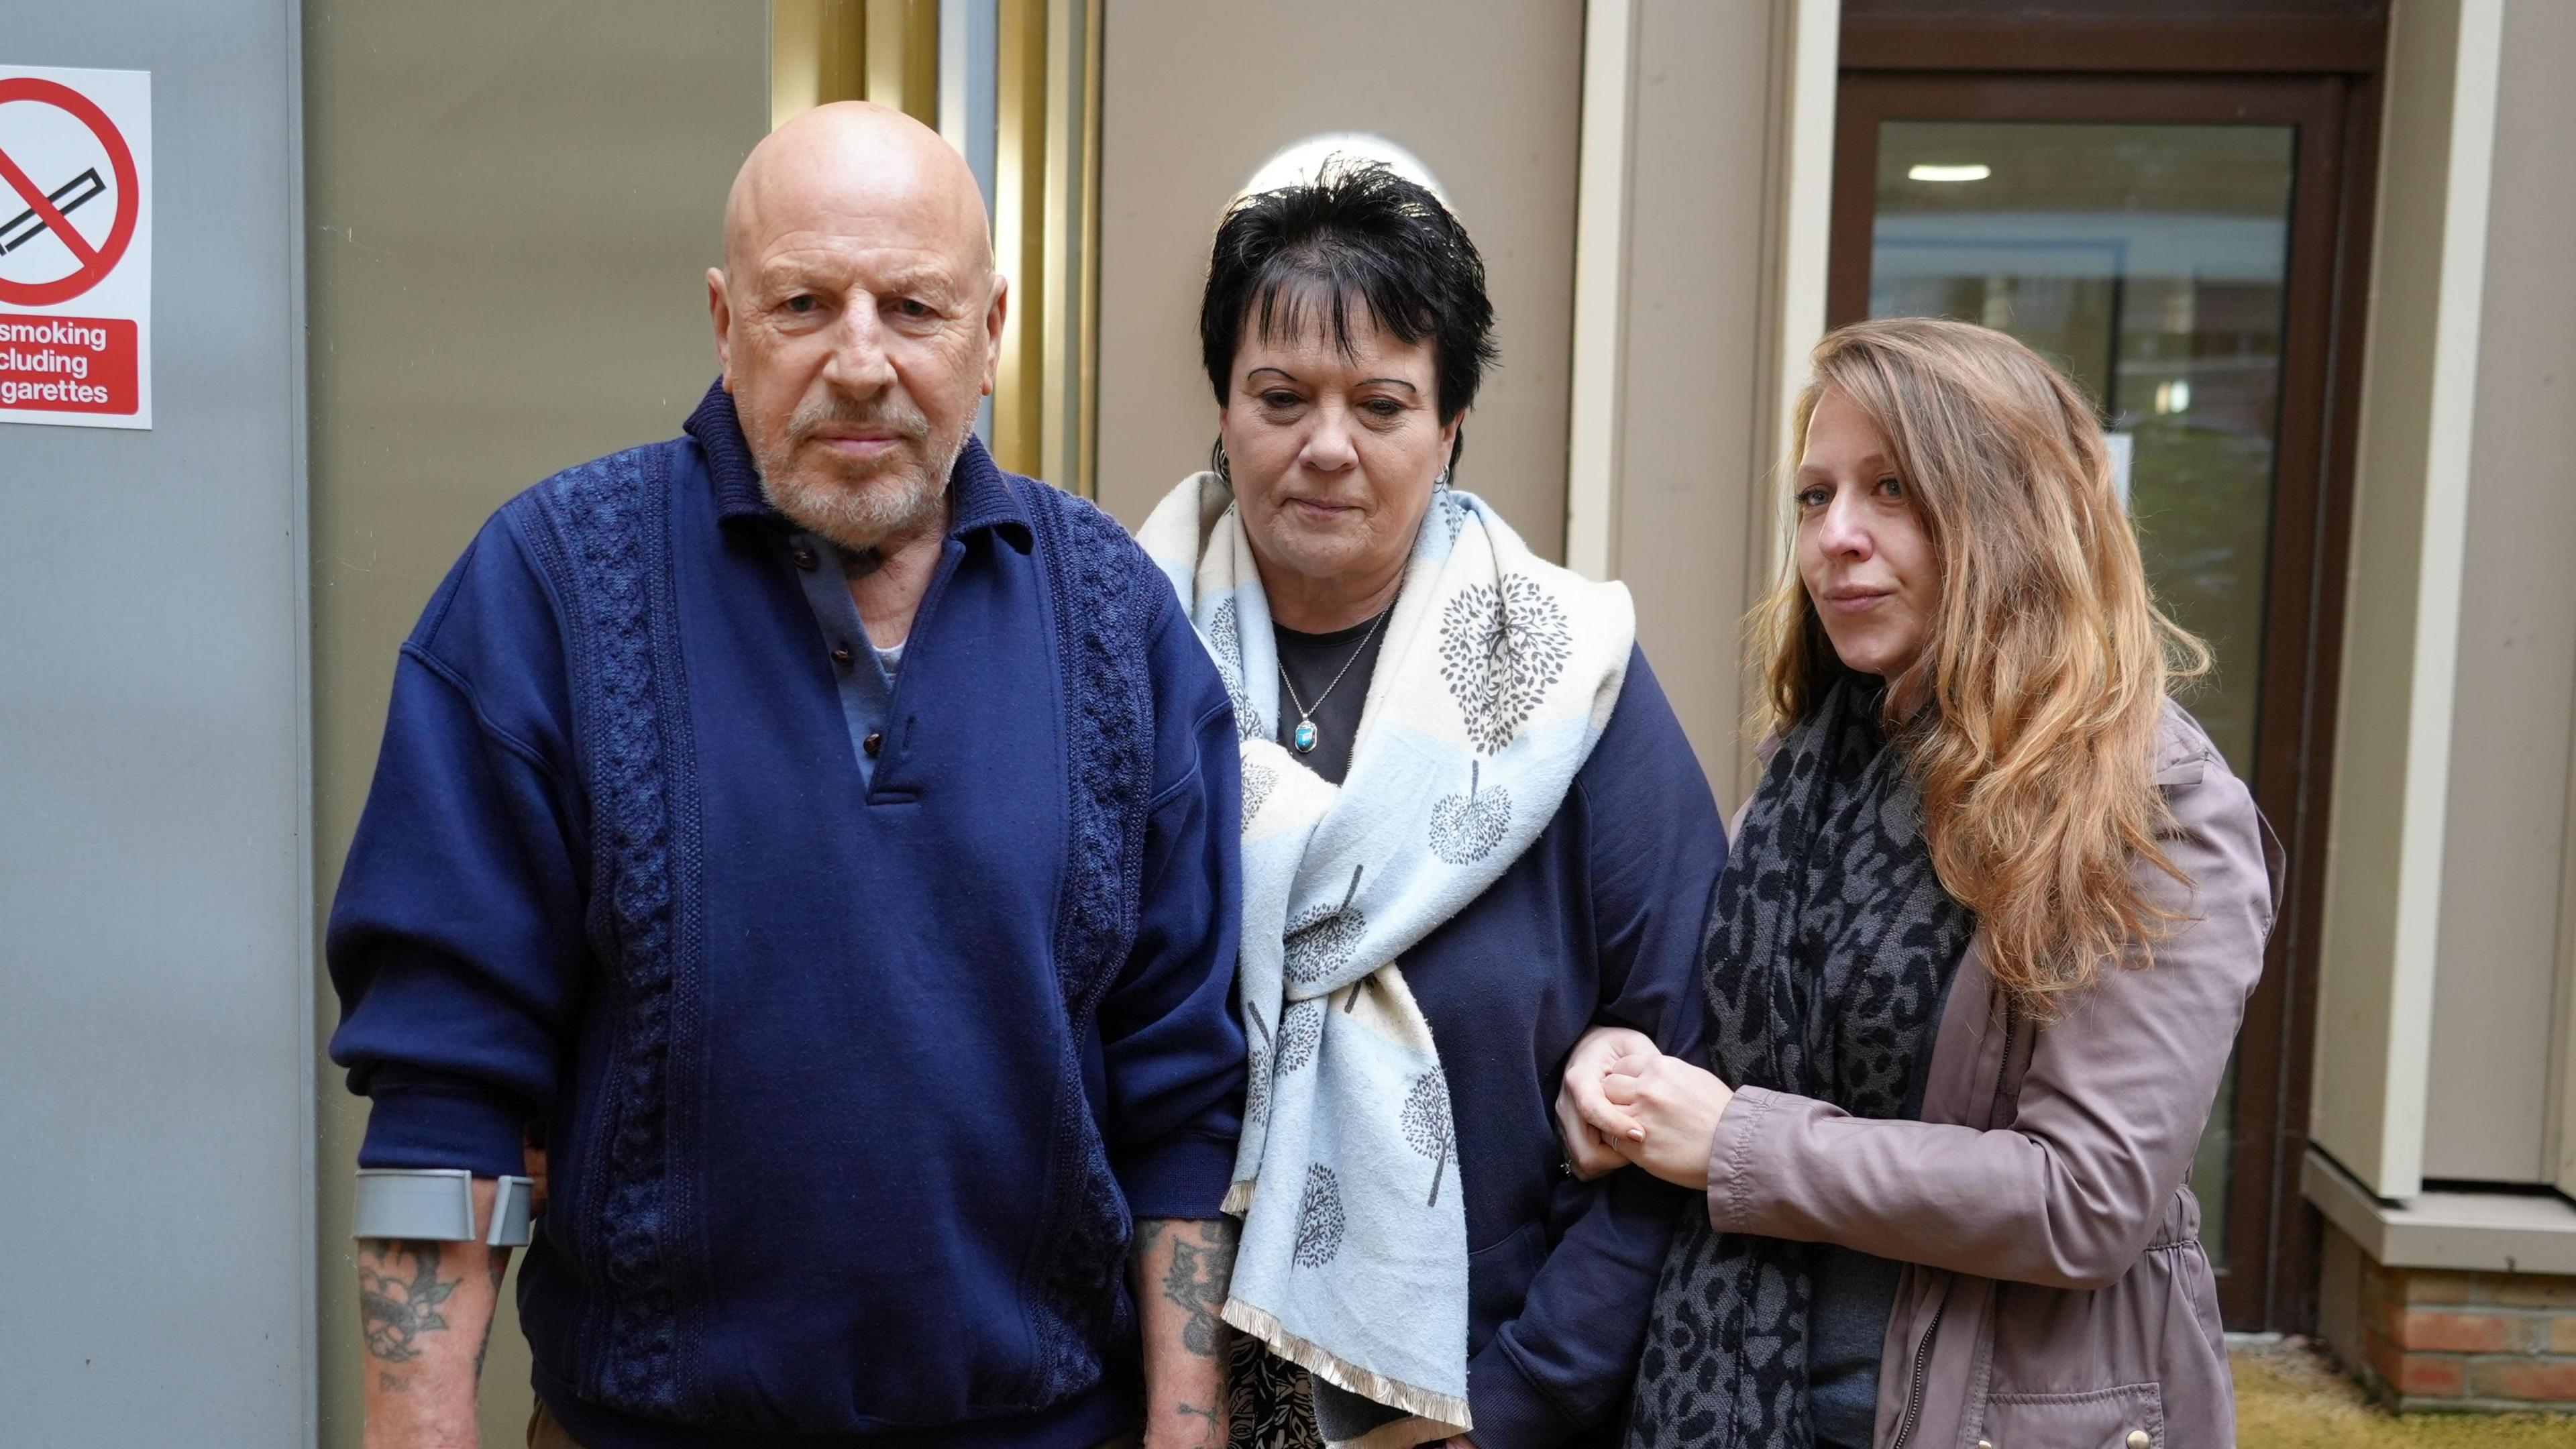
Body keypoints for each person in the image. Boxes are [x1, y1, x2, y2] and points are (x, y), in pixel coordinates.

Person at [327, 102, 1246, 1449]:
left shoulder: (1120, 625)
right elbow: (445, 1092)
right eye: (804, 303)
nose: (859, 361)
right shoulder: (545, 593)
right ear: (723, 323)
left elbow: (1183, 1104)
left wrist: (1186, 1433)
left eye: (914, 309)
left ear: (993, 331)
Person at [1556, 317, 2276, 1449]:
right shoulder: (1814, 775)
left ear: (2012, 515)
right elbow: (1738, 1048)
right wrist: (1622, 1063)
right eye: (1815, 495)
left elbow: (2087, 1201)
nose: (1835, 536)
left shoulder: (2154, 809)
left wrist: (1739, 1142)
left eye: (1892, 490)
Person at [1134, 162, 1726, 1449]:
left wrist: (1521, 1401)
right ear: (1224, 407)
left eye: (1384, 403)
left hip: (1489, 1392)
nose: (1327, 445)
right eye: (1281, 396)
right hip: (1144, 1389)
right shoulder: (1119, 653)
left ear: (1452, 421)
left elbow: (1689, 1071)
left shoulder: (1576, 680)